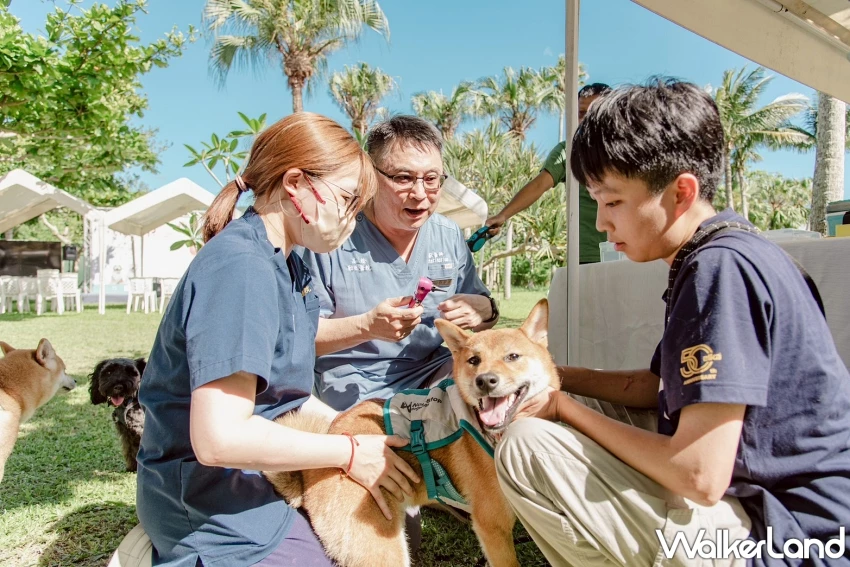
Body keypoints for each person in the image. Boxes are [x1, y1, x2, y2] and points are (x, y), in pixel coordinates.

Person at [496, 80, 850, 566]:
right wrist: (555, 377)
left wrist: (561, 407)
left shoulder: (719, 270)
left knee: (526, 447)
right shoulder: (723, 251)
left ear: (681, 191)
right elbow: (652, 388)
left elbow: (699, 477)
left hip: (790, 536)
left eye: (613, 201)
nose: (601, 222)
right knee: (551, 409)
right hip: (773, 507)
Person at [135, 113, 420, 567]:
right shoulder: (240, 268)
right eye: (348, 200)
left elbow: (289, 360)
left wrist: (357, 430)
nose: (352, 219)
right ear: (296, 184)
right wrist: (348, 451)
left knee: (387, 516)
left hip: (262, 466)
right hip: (214, 495)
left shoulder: (289, 263)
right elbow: (219, 439)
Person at [302, 115, 498, 413]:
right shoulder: (333, 236)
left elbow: (484, 314)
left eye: (431, 179)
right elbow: (302, 337)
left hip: (434, 373)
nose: (420, 193)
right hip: (356, 385)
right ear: (369, 173)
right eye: (403, 178)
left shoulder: (448, 236)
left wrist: (487, 310)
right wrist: (367, 327)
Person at [485, 83, 612, 264]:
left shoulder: (628, 151)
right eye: (581, 113)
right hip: (583, 258)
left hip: (624, 256)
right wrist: (503, 215)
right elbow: (538, 185)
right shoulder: (567, 151)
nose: (586, 120)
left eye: (595, 113)